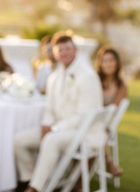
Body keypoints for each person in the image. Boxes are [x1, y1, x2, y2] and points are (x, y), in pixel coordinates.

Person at [13, 34, 103, 192]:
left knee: (50, 140)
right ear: (55, 53)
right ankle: (29, 179)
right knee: (18, 140)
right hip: (59, 129)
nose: (64, 53)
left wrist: (55, 129)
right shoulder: (53, 77)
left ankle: (35, 188)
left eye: (68, 48)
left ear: (75, 50)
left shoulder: (87, 76)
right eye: (60, 50)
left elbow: (84, 116)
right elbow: (49, 108)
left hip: (83, 133)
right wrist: (46, 124)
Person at [95, 46, 128, 177]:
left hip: (106, 123)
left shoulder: (122, 86)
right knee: (97, 130)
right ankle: (110, 164)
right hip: (91, 119)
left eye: (111, 60)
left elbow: (113, 109)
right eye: (104, 61)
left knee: (99, 131)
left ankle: (109, 163)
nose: (108, 64)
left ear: (117, 62)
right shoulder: (95, 80)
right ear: (100, 63)